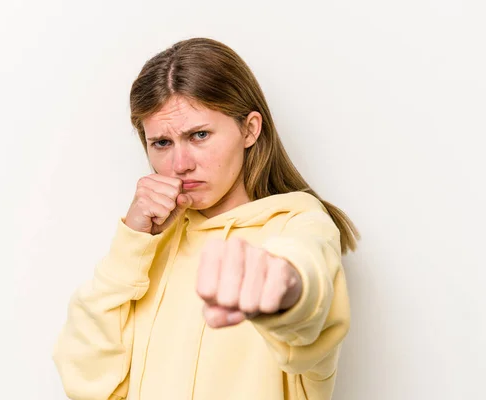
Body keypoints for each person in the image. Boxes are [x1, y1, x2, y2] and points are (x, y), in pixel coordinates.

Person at [52, 37, 360, 400]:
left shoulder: (300, 225)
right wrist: (131, 242)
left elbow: (311, 296)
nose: (180, 164)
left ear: (250, 129)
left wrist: (285, 290)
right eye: (161, 143)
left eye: (199, 135)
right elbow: (85, 381)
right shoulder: (148, 245)